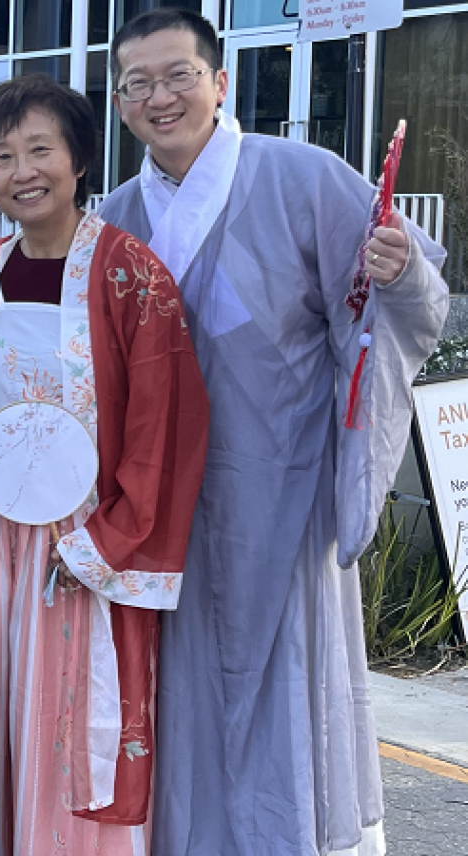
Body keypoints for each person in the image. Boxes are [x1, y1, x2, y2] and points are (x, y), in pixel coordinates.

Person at [95, 10, 449, 855]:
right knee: (172, 685)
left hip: (277, 494)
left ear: (220, 83)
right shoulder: (111, 216)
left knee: (280, 676)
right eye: (138, 83)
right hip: (160, 506)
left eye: (179, 75)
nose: (160, 96)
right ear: (119, 102)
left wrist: (396, 277)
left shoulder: (307, 178)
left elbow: (392, 307)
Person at [0, 74, 209, 854]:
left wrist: (105, 542)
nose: (23, 171)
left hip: (85, 541)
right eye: (2, 156)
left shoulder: (129, 272)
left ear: (78, 159)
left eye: (41, 149)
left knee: (78, 724)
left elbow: (163, 423)